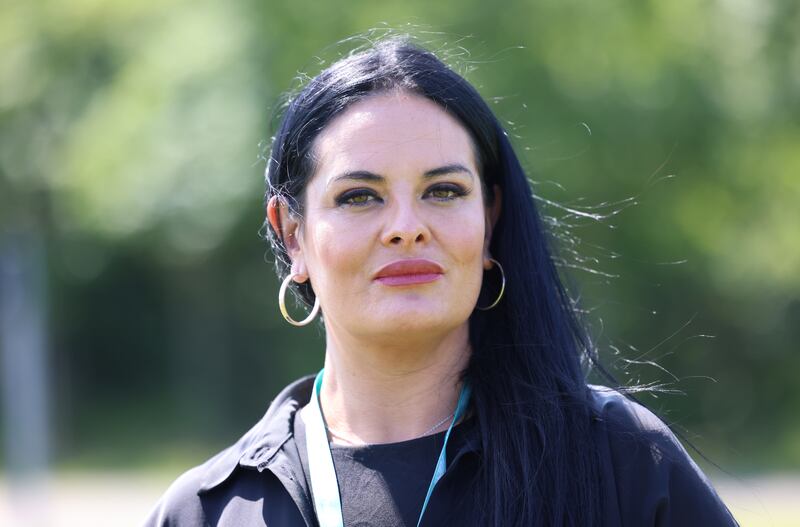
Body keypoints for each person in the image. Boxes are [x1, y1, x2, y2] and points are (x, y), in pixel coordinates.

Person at [145, 37, 738, 526]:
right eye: (359, 196)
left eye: (444, 191)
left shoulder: (623, 463)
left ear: (490, 221)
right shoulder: (207, 512)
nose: (406, 228)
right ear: (292, 235)